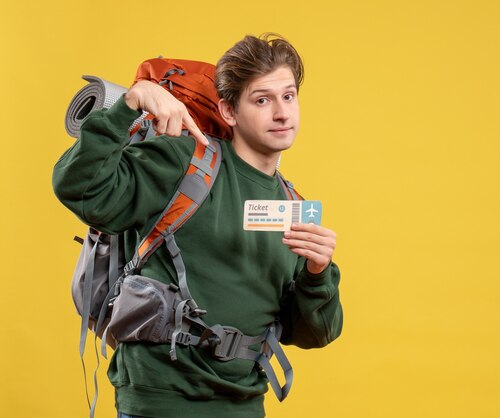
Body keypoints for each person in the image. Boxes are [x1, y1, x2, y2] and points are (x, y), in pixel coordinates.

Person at [53, 33, 343, 418]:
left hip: (244, 406)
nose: (282, 113)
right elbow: (81, 188)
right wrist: (128, 104)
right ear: (228, 111)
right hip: (158, 403)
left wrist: (317, 273)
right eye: (262, 100)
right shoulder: (185, 162)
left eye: (288, 96)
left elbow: (314, 333)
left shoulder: (294, 206)